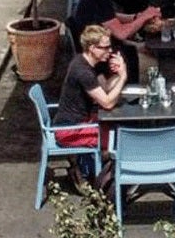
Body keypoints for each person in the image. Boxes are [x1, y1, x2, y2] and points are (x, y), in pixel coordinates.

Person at [52, 25, 128, 186]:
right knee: (117, 139)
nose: (110, 51)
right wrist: (123, 77)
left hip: (77, 122)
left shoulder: (83, 61)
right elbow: (107, 103)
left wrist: (118, 73)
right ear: (93, 48)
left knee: (116, 127)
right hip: (69, 131)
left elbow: (105, 88)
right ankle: (102, 182)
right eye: (106, 47)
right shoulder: (83, 72)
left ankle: (88, 169)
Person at [72, 0, 161, 80]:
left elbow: (111, 18)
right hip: (101, 56)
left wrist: (136, 16)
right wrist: (144, 17)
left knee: (147, 49)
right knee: (151, 64)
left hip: (103, 47)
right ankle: (136, 96)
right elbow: (121, 33)